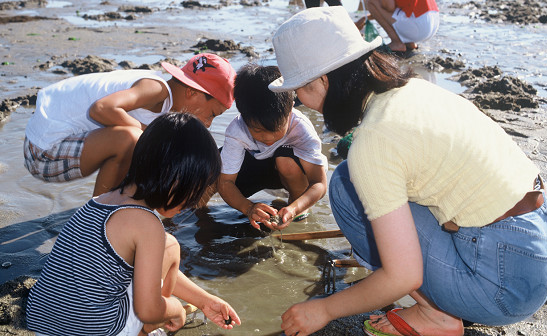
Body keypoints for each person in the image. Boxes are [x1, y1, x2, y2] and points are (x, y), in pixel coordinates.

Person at [269, 6, 547, 336]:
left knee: (344, 188)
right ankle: (444, 297)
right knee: (365, 183)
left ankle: (435, 315)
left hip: (506, 286)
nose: (298, 99)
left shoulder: (374, 140)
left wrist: (323, 309)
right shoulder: (415, 89)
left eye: (298, 89)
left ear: (321, 81)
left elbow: (403, 277)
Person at [26, 112, 242, 336]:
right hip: (98, 332)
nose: (193, 203)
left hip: (41, 322)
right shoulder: (146, 225)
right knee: (170, 247)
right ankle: (145, 331)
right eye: (193, 191)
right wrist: (176, 310)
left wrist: (205, 301)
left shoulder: (101, 201)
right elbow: (149, 309)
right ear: (173, 177)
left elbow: (148, 267)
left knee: (161, 251)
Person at [24, 53, 236, 196]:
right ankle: (100, 219)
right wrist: (152, 136)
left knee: (146, 145)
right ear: (192, 92)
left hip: (55, 142)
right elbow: (101, 109)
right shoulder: (156, 89)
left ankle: (117, 206)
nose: (208, 124)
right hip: (44, 151)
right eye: (213, 114)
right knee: (133, 139)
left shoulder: (164, 99)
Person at [216, 63, 327, 230]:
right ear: (243, 115)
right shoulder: (236, 130)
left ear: (290, 108)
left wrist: (294, 208)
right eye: (258, 130)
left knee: (285, 160)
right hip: (256, 169)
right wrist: (248, 208)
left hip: (291, 172)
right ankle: (200, 218)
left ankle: (296, 213)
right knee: (211, 168)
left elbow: (319, 183)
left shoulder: (301, 128)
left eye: (276, 130)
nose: (268, 138)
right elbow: (225, 183)